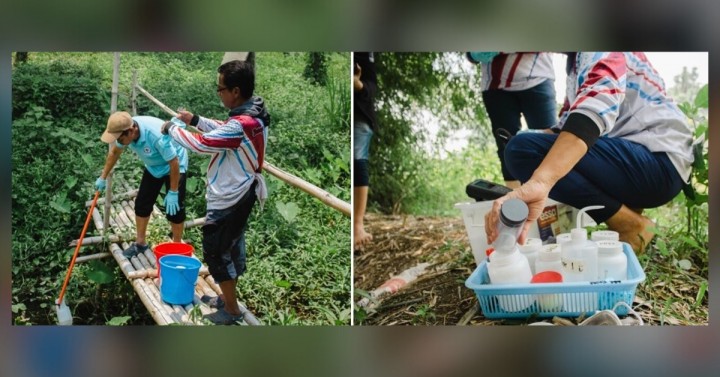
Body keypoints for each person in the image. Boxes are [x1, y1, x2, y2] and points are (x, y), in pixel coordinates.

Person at [484, 52, 694, 253]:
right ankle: (631, 219)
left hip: (658, 162)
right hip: (651, 165)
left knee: (521, 151)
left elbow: (595, 106)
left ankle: (630, 225)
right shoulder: (576, 69)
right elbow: (564, 126)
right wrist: (529, 135)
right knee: (531, 145)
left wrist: (540, 180)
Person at [162, 60, 270, 325]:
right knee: (231, 247)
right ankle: (226, 297)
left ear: (235, 91)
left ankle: (232, 310)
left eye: (220, 89)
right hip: (240, 190)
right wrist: (195, 120)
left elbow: (203, 144)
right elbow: (222, 129)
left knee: (217, 252)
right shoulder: (251, 114)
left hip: (231, 195)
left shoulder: (241, 124)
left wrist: (174, 129)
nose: (218, 93)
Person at [96, 111, 189, 258]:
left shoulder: (155, 136)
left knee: (175, 209)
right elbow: (114, 153)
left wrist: (173, 191)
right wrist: (103, 177)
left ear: (132, 131)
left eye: (120, 138)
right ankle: (140, 243)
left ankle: (177, 245)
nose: (118, 141)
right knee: (142, 204)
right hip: (154, 167)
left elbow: (174, 161)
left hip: (175, 164)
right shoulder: (124, 129)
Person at [467, 52, 557, 189]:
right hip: (495, 86)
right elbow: (471, 54)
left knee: (550, 144)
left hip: (538, 79)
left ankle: (555, 197)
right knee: (506, 146)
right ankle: (515, 203)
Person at [354, 52, 378, 249]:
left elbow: (371, 85)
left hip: (360, 114)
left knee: (358, 160)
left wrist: (358, 85)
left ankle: (358, 225)